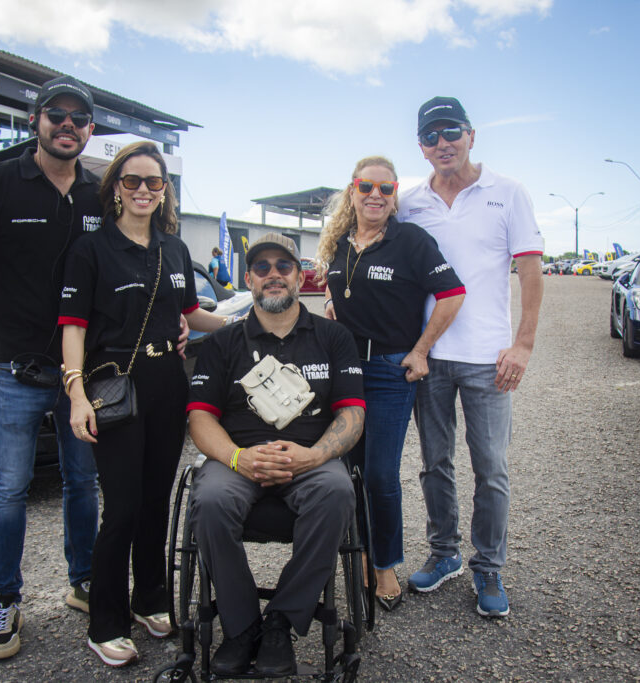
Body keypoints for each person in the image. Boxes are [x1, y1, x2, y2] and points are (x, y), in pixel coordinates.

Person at [0, 75, 102, 660]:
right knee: (9, 489)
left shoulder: (99, 194)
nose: (67, 124)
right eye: (55, 114)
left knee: (83, 482)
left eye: (78, 118)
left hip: (81, 371)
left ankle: (83, 582)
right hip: (13, 367)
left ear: (89, 130)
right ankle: (4, 600)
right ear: (35, 121)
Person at [60, 140, 230, 668]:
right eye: (131, 181)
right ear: (115, 189)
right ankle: (105, 621)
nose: (142, 190)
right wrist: (75, 393)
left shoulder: (174, 249)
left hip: (166, 385)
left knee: (157, 500)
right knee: (124, 506)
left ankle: (150, 597)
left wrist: (254, 325)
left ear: (164, 190)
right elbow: (72, 327)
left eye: (153, 182)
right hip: (115, 387)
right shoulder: (91, 250)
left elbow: (190, 314)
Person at [186, 233, 366, 677]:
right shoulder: (221, 344)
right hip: (237, 460)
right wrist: (236, 459)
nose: (272, 275)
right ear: (248, 278)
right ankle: (243, 625)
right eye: (262, 267)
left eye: (282, 267)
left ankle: (281, 621)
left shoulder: (334, 337)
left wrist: (314, 455)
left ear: (299, 276)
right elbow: (199, 420)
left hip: (310, 460)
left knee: (337, 491)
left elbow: (353, 414)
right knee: (208, 500)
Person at [398, 97, 544, 618]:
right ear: (420, 146)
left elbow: (530, 272)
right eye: (431, 136)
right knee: (435, 463)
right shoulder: (409, 201)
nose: (443, 143)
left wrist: (522, 344)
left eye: (451, 131)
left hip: (488, 358)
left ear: (472, 135)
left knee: (492, 468)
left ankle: (489, 568)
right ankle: (444, 554)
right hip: (430, 356)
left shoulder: (508, 194)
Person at [316, 156, 465, 612]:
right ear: (353, 191)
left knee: (380, 474)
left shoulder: (411, 241)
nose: (375, 195)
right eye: (366, 187)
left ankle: (384, 566)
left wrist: (420, 351)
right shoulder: (340, 242)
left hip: (387, 373)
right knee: (350, 472)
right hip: (344, 372)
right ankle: (359, 557)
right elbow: (336, 288)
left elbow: (453, 293)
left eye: (385, 188)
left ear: (395, 193)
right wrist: (329, 304)